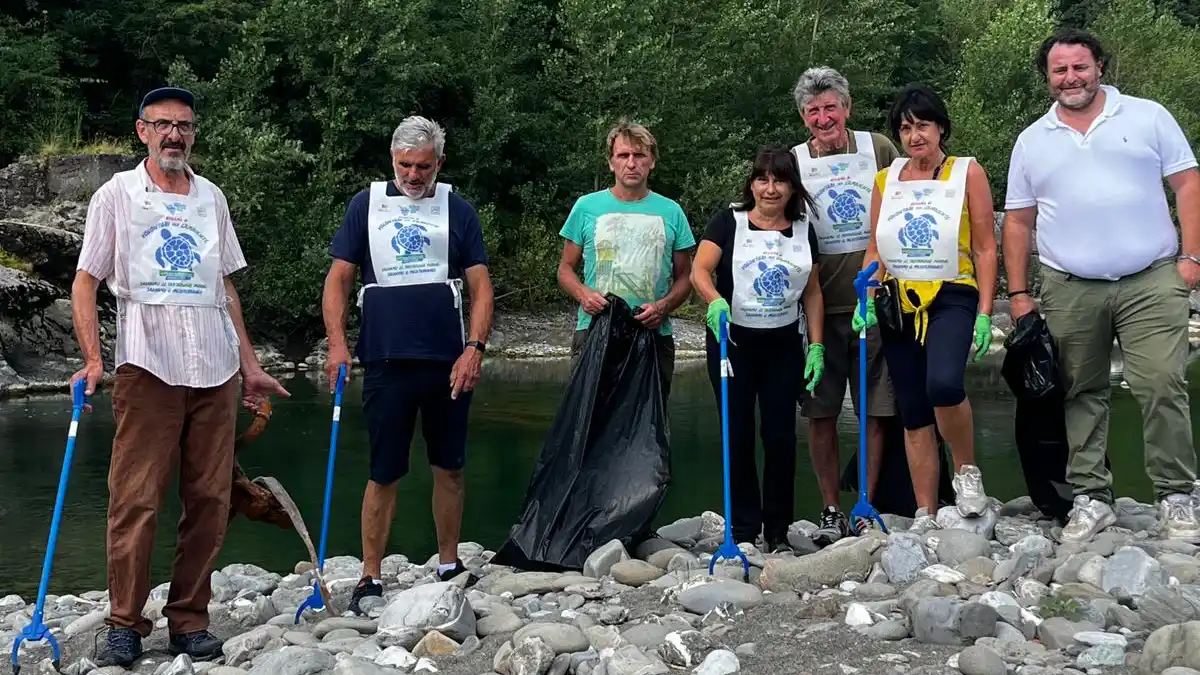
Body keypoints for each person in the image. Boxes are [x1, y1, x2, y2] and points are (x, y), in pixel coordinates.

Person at [70, 86, 289, 666]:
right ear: (141, 130)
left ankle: (190, 619)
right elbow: (86, 282)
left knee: (211, 499)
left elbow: (225, 287)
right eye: (163, 124)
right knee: (136, 499)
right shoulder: (115, 194)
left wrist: (251, 365)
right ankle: (124, 623)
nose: (174, 135)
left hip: (215, 369)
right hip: (147, 366)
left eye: (184, 126)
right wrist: (94, 360)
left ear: (193, 133)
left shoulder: (211, 197)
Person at [1002, 29, 1200, 543]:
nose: (1071, 78)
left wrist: (1191, 258)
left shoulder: (1148, 116)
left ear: (1100, 67)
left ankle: (1177, 495)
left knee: (1161, 383)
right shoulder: (1032, 139)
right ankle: (1091, 496)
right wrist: (1020, 293)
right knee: (1081, 392)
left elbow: (1188, 184)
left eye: (1080, 67)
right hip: (1070, 285)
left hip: (1152, 277)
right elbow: (1019, 221)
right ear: (1048, 77)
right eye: (1060, 70)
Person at [322, 115, 494, 612]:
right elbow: (338, 280)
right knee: (385, 470)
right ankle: (369, 575)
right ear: (391, 160)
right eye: (404, 165)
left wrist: (475, 348)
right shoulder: (366, 205)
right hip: (386, 358)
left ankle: (447, 563)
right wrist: (337, 343)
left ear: (439, 163)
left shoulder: (458, 210)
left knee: (450, 466)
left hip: (447, 360)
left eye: (423, 166)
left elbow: (481, 288)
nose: (413, 175)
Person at [860, 83, 998, 533]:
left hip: (952, 292)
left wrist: (984, 310)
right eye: (905, 128)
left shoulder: (967, 172)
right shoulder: (887, 180)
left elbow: (984, 246)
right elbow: (875, 248)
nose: (914, 136)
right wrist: (867, 289)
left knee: (943, 383)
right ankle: (925, 510)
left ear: (940, 127)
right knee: (912, 406)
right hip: (898, 300)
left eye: (922, 125)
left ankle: (966, 472)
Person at [690, 146, 825, 552]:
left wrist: (816, 344)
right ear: (752, 183)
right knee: (738, 432)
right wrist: (713, 300)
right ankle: (743, 529)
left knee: (781, 436)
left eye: (780, 180)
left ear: (791, 186)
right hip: (733, 342)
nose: (771, 188)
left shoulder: (804, 229)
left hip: (783, 343)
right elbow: (700, 270)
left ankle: (779, 530)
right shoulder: (728, 222)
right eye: (763, 179)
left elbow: (813, 293)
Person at [789, 65, 903, 545]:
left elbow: (906, 200)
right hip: (817, 309)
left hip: (874, 303)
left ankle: (866, 503)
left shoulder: (877, 148)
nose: (823, 118)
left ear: (847, 108)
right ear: (803, 118)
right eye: (813, 111)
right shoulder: (793, 161)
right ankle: (831, 506)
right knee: (821, 413)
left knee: (876, 410)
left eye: (830, 107)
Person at [557, 121, 696, 400]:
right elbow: (565, 269)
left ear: (651, 162)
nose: (631, 163)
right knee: (588, 425)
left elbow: (686, 276)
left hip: (653, 332)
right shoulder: (586, 207)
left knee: (648, 429)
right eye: (623, 155)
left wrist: (663, 307)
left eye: (639, 155)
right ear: (611, 163)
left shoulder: (672, 211)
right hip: (595, 329)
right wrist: (583, 294)